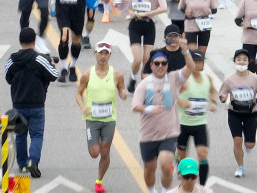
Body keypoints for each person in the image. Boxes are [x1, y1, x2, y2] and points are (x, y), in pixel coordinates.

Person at [131, 40, 196, 193]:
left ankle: (166, 191)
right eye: (157, 63)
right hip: (148, 135)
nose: (160, 66)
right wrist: (150, 109)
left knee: (166, 166)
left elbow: (190, 67)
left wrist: (185, 51)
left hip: (169, 133)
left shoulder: (174, 78)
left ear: (167, 64)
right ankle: (151, 190)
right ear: (151, 65)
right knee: (149, 169)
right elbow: (135, 106)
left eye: (164, 63)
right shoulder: (145, 84)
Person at [75, 40, 129, 193]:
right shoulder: (87, 75)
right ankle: (97, 141)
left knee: (105, 152)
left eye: (106, 53)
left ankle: (99, 181)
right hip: (92, 120)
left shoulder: (117, 75)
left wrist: (123, 94)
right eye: (100, 53)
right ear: (95, 54)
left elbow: (122, 90)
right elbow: (78, 94)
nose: (103, 56)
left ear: (110, 55)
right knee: (94, 153)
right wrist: (83, 106)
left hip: (109, 119)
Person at [4, 27, 58, 179]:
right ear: (34, 41)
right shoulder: (40, 59)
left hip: (18, 104)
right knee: (37, 135)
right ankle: (32, 161)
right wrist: (51, 63)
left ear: (20, 41)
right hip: (37, 105)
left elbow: (7, 77)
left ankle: (22, 165)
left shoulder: (12, 60)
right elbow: (54, 75)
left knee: (20, 135)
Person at [218, 48, 257, 178]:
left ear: (248, 62)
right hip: (234, 113)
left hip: (250, 113)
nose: (241, 62)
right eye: (238, 59)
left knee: (250, 144)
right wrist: (223, 97)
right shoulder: (229, 79)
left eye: (244, 60)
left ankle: (248, 146)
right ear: (234, 61)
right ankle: (240, 167)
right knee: (237, 140)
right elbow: (222, 95)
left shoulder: (255, 79)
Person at [175, 50, 215, 185]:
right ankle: (183, 180)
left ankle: (202, 186)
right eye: (195, 61)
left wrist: (212, 102)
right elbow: (170, 95)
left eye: (200, 61)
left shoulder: (208, 78)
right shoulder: (184, 80)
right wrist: (182, 102)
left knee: (202, 154)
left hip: (200, 124)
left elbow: (212, 90)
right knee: (183, 158)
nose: (198, 64)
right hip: (183, 124)